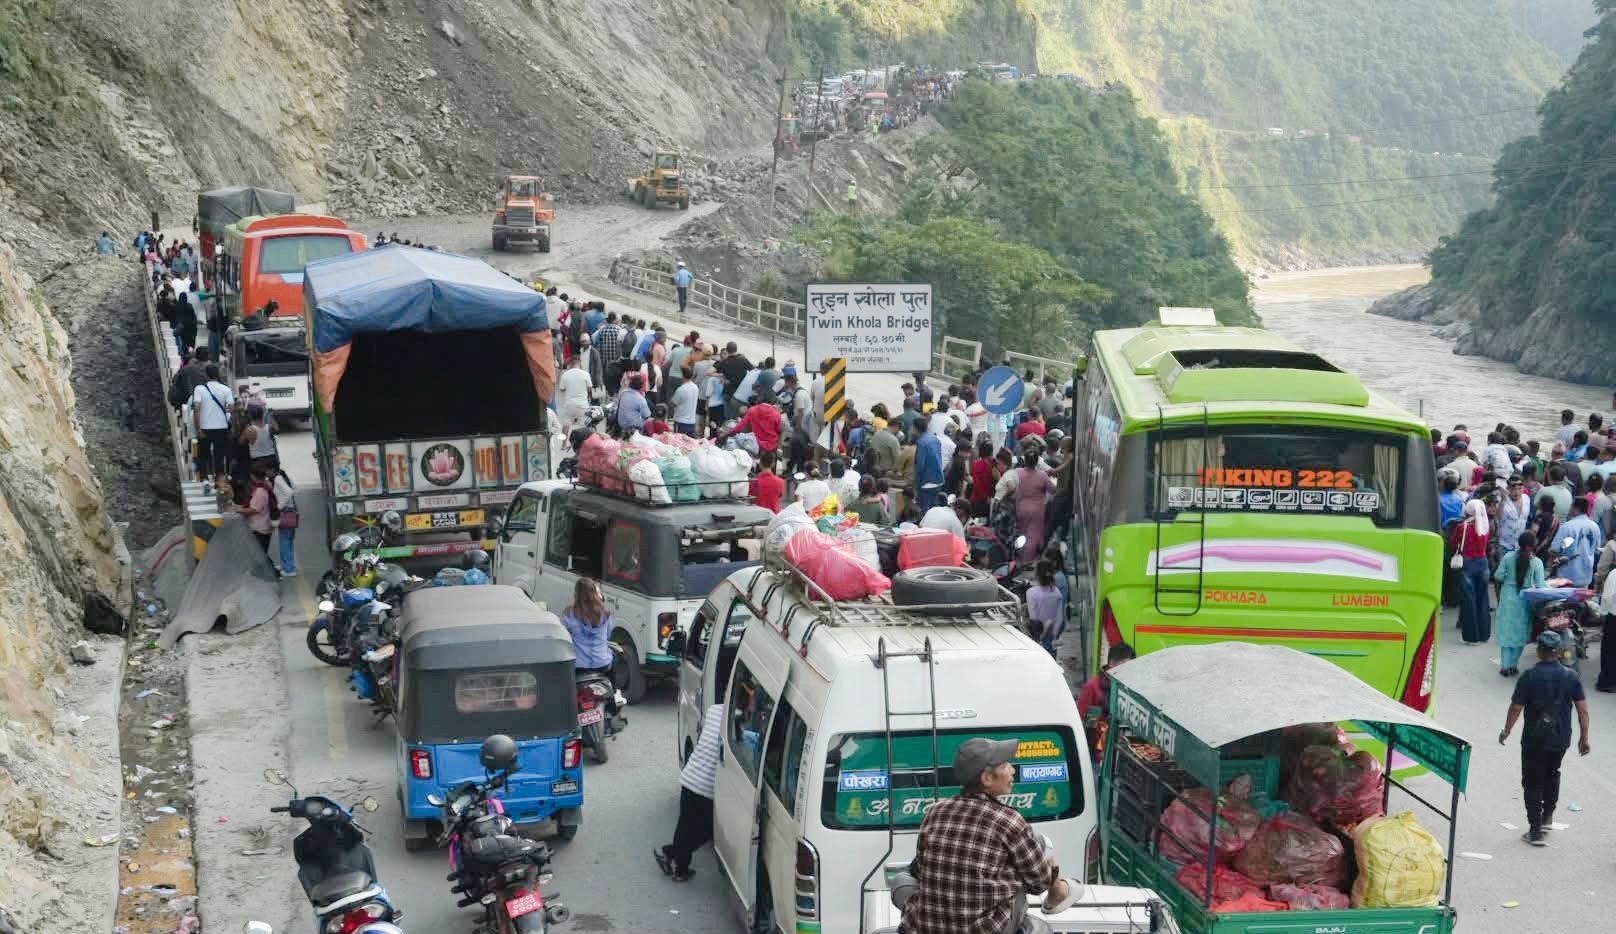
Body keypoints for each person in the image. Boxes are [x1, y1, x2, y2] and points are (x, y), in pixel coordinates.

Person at [901, 738, 1080, 934]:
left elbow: (918, 870)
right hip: (985, 930)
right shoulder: (1009, 820)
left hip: (925, 927)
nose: (1012, 770)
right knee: (1035, 849)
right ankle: (1059, 891)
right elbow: (1038, 885)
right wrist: (1044, 871)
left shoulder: (935, 811)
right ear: (987, 778)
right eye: (1005, 765)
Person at [1499, 630, 1591, 846]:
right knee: (1552, 773)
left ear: (1539, 651)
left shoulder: (1529, 676)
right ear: (1558, 652)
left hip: (1534, 738)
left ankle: (1535, 831)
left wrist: (1506, 730)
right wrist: (1584, 738)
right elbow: (1583, 711)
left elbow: (1516, 707)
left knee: (1532, 781)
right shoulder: (1571, 676)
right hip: (1560, 739)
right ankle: (1547, 816)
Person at [656, 702, 722, 882]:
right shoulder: (739, 723)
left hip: (690, 776)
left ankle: (678, 866)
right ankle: (671, 855)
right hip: (706, 787)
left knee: (685, 824)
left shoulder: (714, 710)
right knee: (709, 830)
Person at [1495, 532, 1544, 676]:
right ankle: (1514, 665)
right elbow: (1541, 585)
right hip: (1525, 599)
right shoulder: (1537, 562)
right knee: (1520, 632)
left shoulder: (1508, 557)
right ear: (1533, 546)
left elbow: (1498, 575)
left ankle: (1505, 666)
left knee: (1507, 630)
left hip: (1508, 598)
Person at [1452, 497, 1492, 645]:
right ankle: (1484, 634)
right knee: (1483, 600)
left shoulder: (1463, 527)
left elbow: (1454, 543)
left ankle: (1470, 636)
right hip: (1483, 563)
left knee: (1469, 601)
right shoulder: (1486, 526)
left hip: (1467, 564)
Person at [191, 364, 234, 492]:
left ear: (206, 375)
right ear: (218, 375)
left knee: (203, 454)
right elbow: (231, 408)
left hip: (205, 427)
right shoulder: (226, 389)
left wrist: (198, 428)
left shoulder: (199, 389)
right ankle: (218, 482)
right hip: (221, 427)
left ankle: (204, 479)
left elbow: (197, 408)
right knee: (219, 455)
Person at [560, 578, 614, 673]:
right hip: (603, 664)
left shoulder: (570, 612)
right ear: (595, 592)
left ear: (576, 593)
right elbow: (609, 636)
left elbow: (561, 634)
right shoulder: (605, 612)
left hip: (580, 667)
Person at [234, 463, 278, 569]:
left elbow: (254, 509)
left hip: (260, 527)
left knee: (260, 554)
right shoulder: (266, 485)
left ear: (252, 476)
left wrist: (238, 510)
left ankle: (273, 573)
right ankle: (264, 572)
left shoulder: (260, 491)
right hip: (264, 525)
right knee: (260, 553)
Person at [1553, 497, 1603, 588]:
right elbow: (1597, 549)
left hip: (1566, 576)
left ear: (1575, 508)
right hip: (1585, 576)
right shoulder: (1595, 527)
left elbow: (1555, 549)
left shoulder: (1567, 526)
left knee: (1565, 602)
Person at [1024, 559, 1064, 655]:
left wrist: (1042, 633)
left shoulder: (1031, 593)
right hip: (1053, 638)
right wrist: (1055, 635)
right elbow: (1060, 618)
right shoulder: (1057, 592)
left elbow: (1034, 619)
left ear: (1036, 575)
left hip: (1038, 638)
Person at [272, 468, 299, 578]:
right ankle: (288, 566)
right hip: (291, 511)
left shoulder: (278, 478)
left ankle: (288, 569)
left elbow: (289, 492)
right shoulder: (284, 477)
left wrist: (279, 506)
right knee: (289, 540)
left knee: (284, 541)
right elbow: (294, 488)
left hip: (285, 512)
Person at [914, 427, 944, 513]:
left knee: (924, 512)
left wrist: (917, 484)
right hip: (938, 480)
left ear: (915, 429)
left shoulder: (921, 442)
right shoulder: (935, 439)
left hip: (926, 483)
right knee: (934, 511)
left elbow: (920, 464)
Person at [671, 367, 701, 436]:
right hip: (692, 422)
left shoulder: (681, 389)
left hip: (680, 421)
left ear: (682, 376)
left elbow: (673, 404)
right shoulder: (695, 387)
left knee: (679, 443)